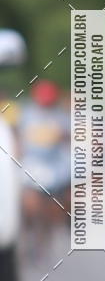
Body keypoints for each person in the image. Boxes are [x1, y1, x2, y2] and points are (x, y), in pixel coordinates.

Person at [19, 79, 70, 262]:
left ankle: (43, 244)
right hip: (31, 166)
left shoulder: (61, 117)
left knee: (48, 210)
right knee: (29, 206)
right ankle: (27, 239)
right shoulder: (26, 114)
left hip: (53, 169)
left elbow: (72, 137)